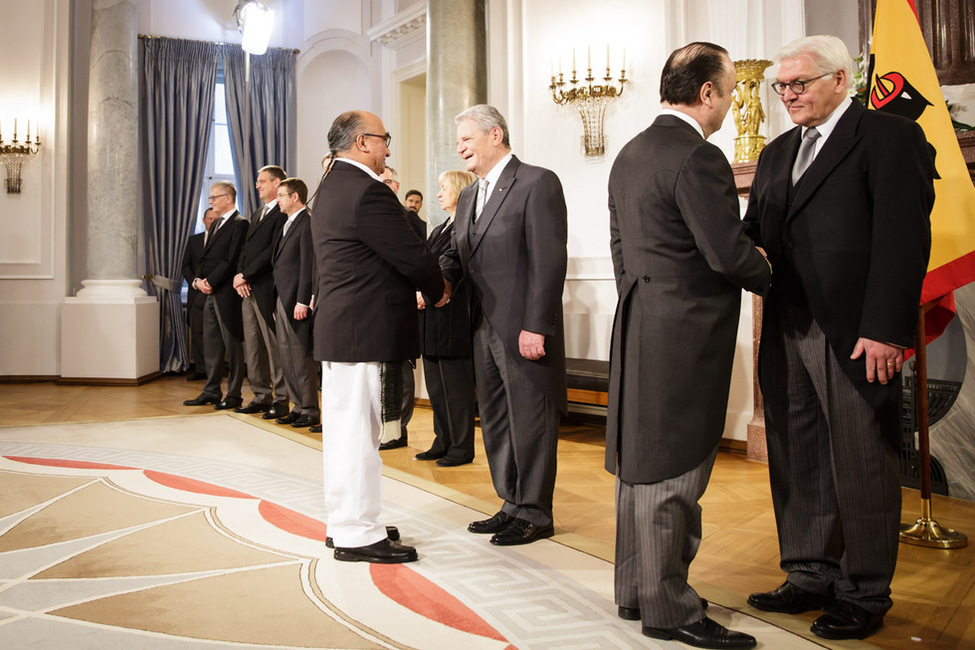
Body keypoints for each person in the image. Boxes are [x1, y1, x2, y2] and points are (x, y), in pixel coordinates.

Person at [743, 35, 934, 641]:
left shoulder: (887, 138)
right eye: (782, 86)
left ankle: (864, 592)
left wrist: (886, 331)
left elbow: (904, 241)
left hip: (856, 335)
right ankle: (808, 572)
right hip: (787, 327)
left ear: (840, 80)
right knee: (797, 458)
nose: (789, 95)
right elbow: (754, 233)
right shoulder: (775, 154)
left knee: (862, 464)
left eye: (800, 83)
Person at [606, 42, 770, 649]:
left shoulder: (630, 153)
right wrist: (770, 272)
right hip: (684, 335)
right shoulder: (698, 157)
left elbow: (622, 249)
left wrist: (646, 299)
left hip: (640, 322)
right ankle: (669, 609)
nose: (728, 103)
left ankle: (637, 590)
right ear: (707, 94)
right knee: (673, 471)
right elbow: (727, 253)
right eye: (727, 91)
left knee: (640, 468)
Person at [310, 110, 449, 564]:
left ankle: (348, 519)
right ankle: (356, 533)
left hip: (346, 329)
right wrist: (438, 288)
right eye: (384, 139)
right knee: (357, 437)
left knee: (349, 434)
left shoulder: (331, 185)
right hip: (363, 331)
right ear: (363, 142)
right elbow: (410, 254)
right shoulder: (366, 190)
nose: (388, 148)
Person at [441, 104, 567, 546]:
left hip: (522, 329)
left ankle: (536, 511)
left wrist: (537, 325)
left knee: (530, 418)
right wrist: (438, 282)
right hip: (480, 325)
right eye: (458, 142)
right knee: (495, 419)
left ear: (495, 135)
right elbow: (457, 255)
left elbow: (548, 261)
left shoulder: (536, 182)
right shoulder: (472, 195)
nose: (459, 148)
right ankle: (511, 503)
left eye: (466, 140)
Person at [414, 170, 478, 467]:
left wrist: (424, 293)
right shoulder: (440, 228)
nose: (438, 193)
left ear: (461, 191)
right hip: (430, 317)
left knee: (456, 389)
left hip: (453, 316)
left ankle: (461, 448)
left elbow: (451, 268)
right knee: (437, 388)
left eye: (444, 188)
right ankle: (442, 440)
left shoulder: (466, 227)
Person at [183, 182, 250, 409]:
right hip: (209, 293)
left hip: (227, 295)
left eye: (214, 197)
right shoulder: (217, 224)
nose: (210, 201)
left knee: (232, 348)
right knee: (211, 346)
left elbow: (231, 261)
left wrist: (210, 282)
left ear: (228, 198)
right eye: (210, 198)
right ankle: (211, 391)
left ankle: (233, 395)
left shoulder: (240, 224)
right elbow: (204, 259)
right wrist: (199, 282)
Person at [233, 165, 290, 420]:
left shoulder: (282, 211)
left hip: (267, 287)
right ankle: (259, 394)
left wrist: (247, 275)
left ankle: (281, 398)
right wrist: (240, 276)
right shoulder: (257, 213)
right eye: (257, 182)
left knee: (273, 346)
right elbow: (246, 249)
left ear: (277, 183)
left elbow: (272, 251)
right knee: (253, 345)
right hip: (248, 288)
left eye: (262, 181)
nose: (257, 185)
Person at [271, 177, 320, 429]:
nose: (277, 199)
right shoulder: (288, 223)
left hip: (296, 300)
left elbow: (307, 266)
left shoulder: (307, 222)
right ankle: (297, 406)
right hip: (283, 298)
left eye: (281, 194)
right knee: (287, 356)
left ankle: (310, 409)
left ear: (295, 197)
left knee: (301, 357)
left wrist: (303, 300)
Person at [377, 164, 420, 452]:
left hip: (400, 304)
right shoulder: (373, 216)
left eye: (385, 181)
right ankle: (386, 428)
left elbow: (418, 260)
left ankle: (399, 428)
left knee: (399, 370)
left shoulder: (410, 220)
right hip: (376, 304)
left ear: (395, 186)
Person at [180, 207, 217, 381]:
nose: (212, 221)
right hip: (196, 293)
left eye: (215, 218)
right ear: (204, 220)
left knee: (217, 334)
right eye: (209, 218)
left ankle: (217, 370)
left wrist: (211, 283)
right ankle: (201, 370)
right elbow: (185, 266)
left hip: (217, 291)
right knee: (197, 332)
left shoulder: (223, 239)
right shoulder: (194, 241)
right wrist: (196, 283)